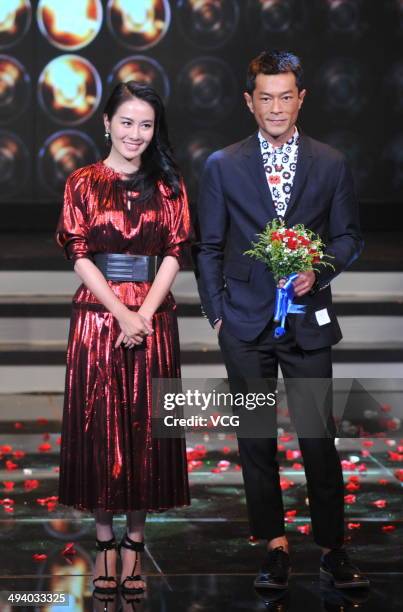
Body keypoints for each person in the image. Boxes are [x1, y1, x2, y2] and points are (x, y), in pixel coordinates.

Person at [195, 50, 370, 590]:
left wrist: (317, 272)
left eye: (286, 95)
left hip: (307, 322)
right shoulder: (222, 165)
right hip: (244, 326)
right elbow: (208, 246)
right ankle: (273, 545)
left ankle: (333, 547)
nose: (276, 107)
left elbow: (349, 238)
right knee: (256, 440)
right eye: (265, 97)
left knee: (319, 436)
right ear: (249, 102)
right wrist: (216, 315)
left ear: (301, 98)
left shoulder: (330, 161)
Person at [56, 81, 191, 595]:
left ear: (156, 130)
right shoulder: (83, 183)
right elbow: (78, 252)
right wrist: (119, 312)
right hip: (97, 316)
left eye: (147, 124)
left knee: (144, 429)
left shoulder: (170, 185)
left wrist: (144, 315)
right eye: (127, 122)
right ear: (107, 122)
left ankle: (136, 544)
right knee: (100, 429)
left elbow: (178, 251)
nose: (136, 133)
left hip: (153, 316)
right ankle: (106, 542)